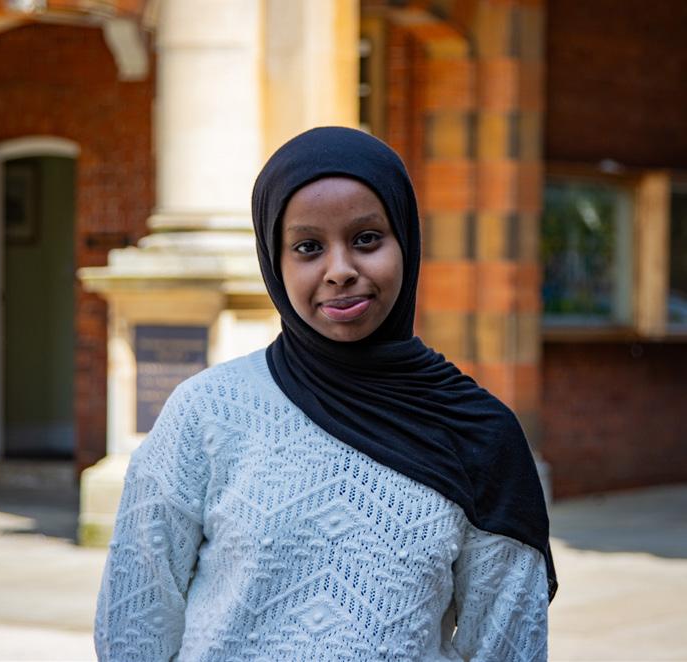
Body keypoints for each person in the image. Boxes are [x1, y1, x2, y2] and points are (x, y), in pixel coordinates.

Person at [94, 126, 556, 661]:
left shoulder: (478, 434)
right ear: (274, 260)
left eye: (366, 239)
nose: (340, 271)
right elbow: (135, 629)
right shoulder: (207, 413)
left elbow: (508, 646)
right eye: (308, 247)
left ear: (406, 242)